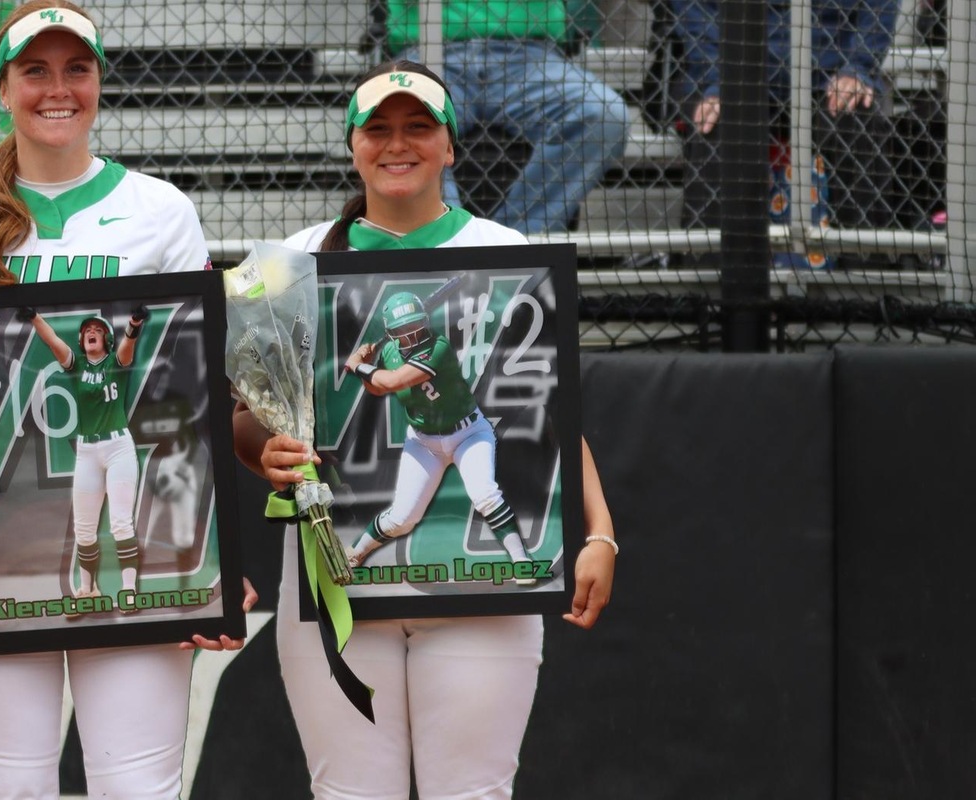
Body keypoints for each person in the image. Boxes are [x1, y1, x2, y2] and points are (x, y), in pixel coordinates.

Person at [233, 61, 619, 799]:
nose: (397, 143)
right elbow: (244, 419)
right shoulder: (285, 263)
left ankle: (504, 548)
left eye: (418, 127)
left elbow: (552, 415)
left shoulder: (508, 254)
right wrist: (269, 454)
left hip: (480, 593)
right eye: (378, 128)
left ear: (450, 145)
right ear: (353, 145)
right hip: (333, 583)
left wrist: (598, 532)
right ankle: (373, 545)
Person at [0, 3, 237, 796]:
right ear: (3, 87)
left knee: (137, 788)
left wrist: (220, 560)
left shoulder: (163, 210)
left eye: (76, 69)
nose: (58, 89)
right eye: (35, 71)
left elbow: (193, 389)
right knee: (7, 790)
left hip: (145, 539)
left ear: (98, 82)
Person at [378, 0, 632, 234]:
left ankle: (512, 250)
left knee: (605, 114)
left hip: (530, 55)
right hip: (427, 50)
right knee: (408, 121)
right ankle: (450, 244)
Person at [340, 293, 535, 576]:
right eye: (403, 330)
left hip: (468, 432)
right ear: (391, 334)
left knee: (485, 495)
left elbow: (394, 381)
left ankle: (522, 561)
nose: (412, 334)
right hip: (423, 441)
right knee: (402, 519)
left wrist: (359, 365)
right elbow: (378, 388)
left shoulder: (438, 347)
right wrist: (366, 369)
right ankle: (355, 554)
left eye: (416, 325)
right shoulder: (390, 353)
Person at [672, 0, 903, 230]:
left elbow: (879, 7)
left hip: (830, 76)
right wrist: (719, 80)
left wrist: (858, 67)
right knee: (715, 123)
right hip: (734, 71)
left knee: (857, 118)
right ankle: (712, 262)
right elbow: (698, 13)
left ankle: (864, 260)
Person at [19, 305, 152, 599]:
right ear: (81, 340)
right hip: (88, 450)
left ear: (106, 339)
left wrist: (134, 324)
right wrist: (34, 317)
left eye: (98, 330)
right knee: (84, 528)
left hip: (118, 447)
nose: (92, 332)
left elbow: (128, 347)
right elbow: (53, 341)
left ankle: (129, 590)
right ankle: (87, 589)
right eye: (87, 330)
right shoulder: (77, 364)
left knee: (120, 522)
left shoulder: (115, 363)